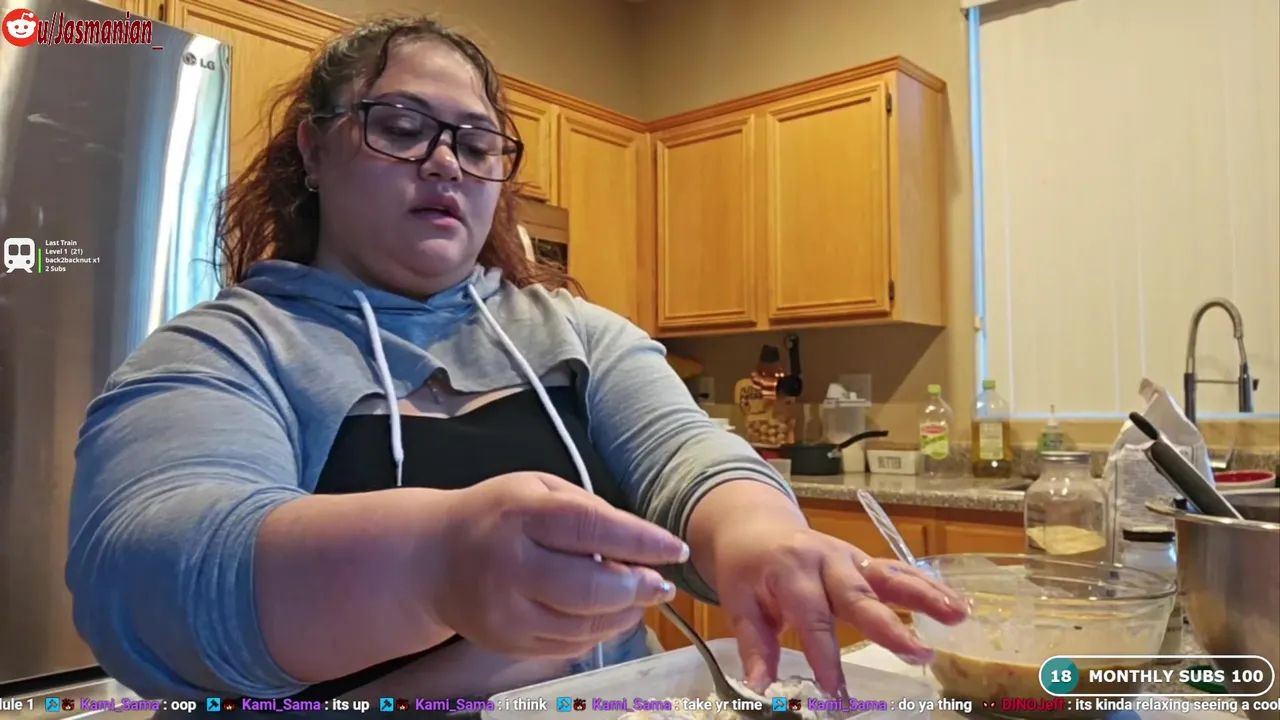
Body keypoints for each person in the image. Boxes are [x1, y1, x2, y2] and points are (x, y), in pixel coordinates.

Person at [66, 15, 966, 706]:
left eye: (476, 143)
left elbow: (689, 458)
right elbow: (146, 579)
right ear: (313, 148)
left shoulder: (578, 334)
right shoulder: (229, 347)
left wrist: (761, 539)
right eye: (401, 126)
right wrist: (433, 565)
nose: (446, 164)